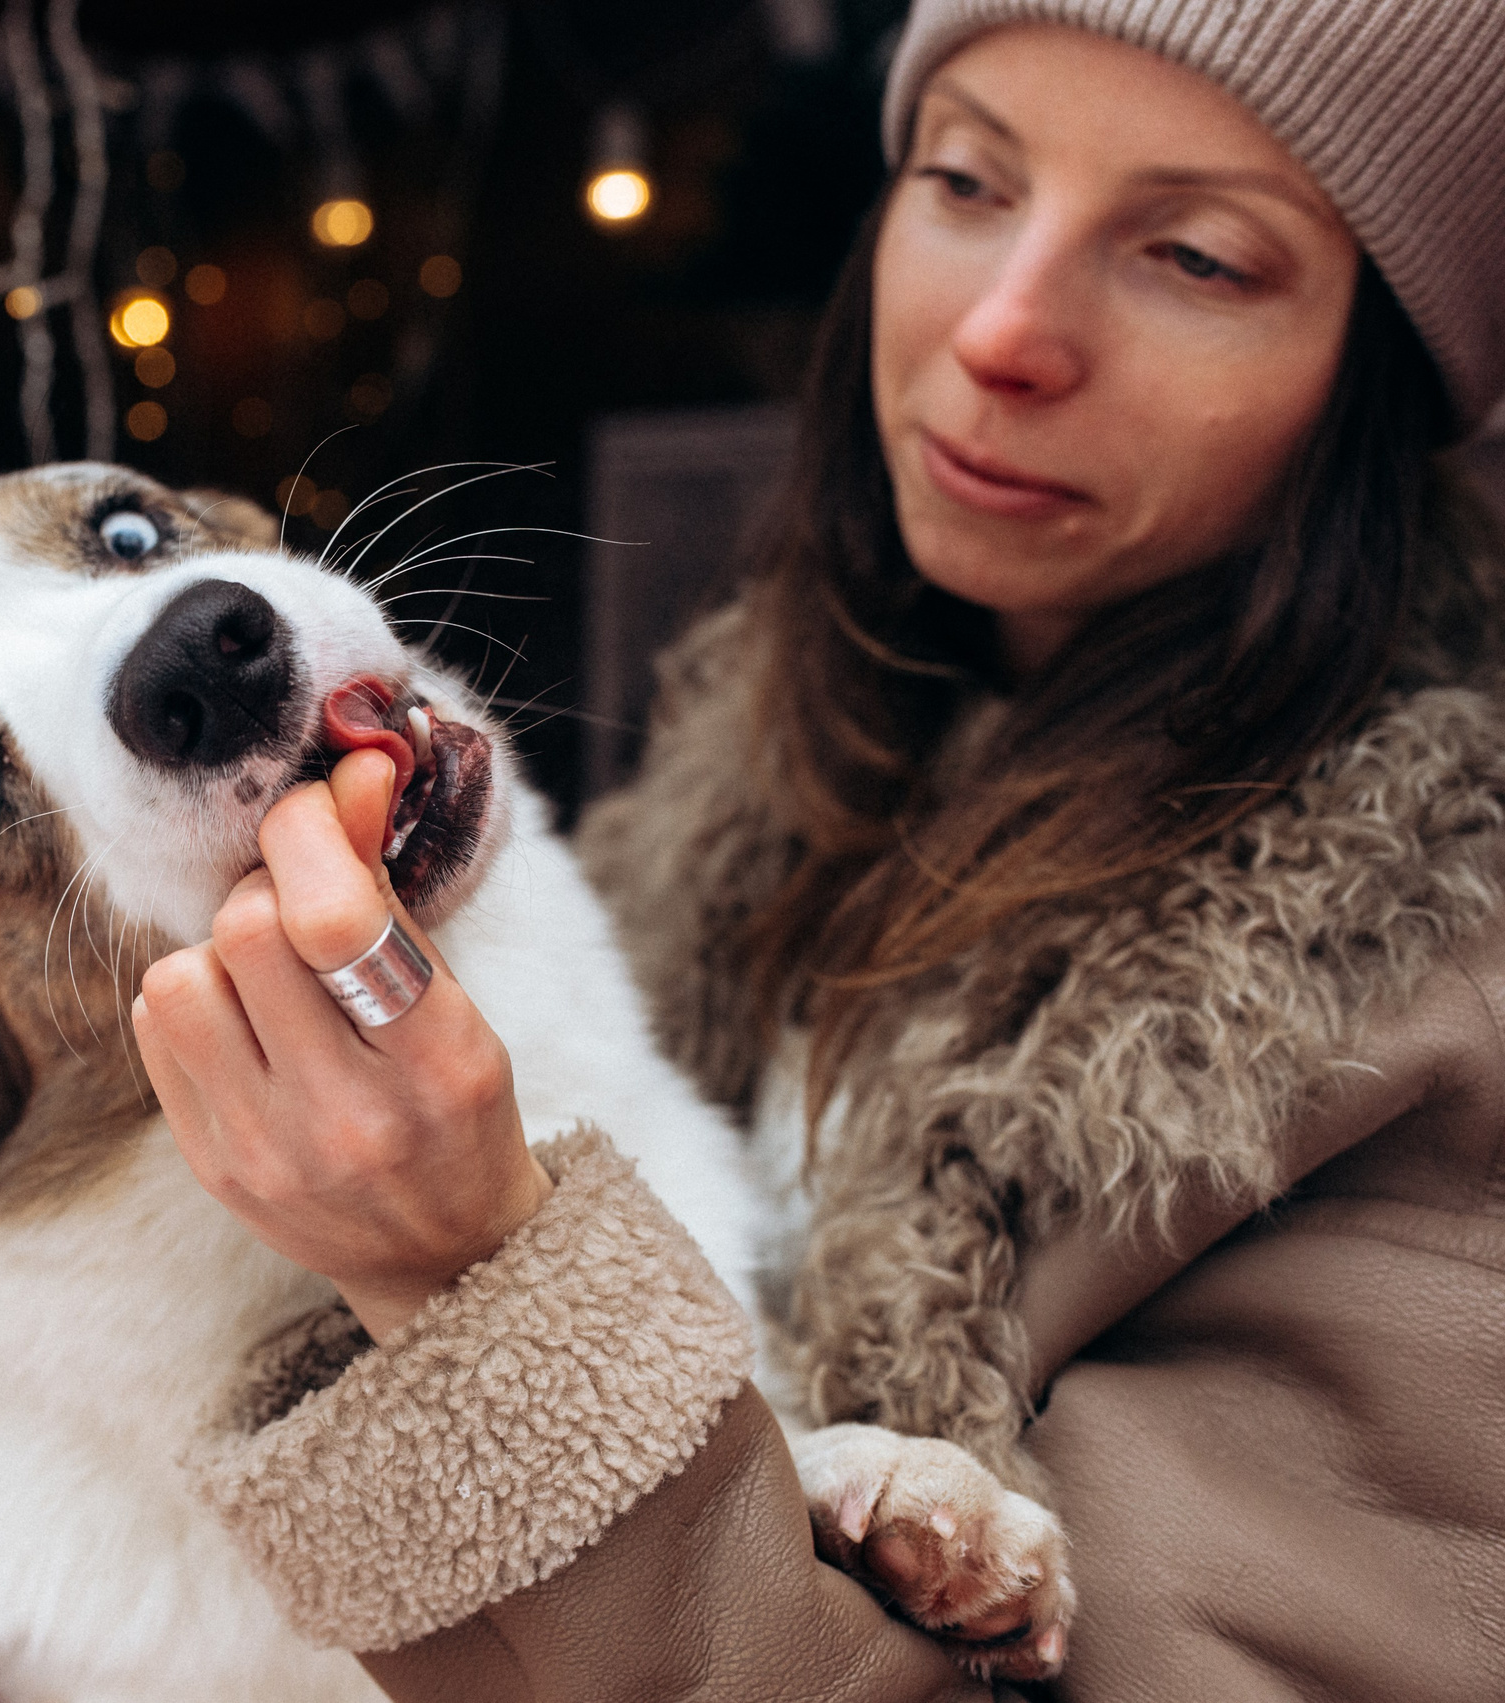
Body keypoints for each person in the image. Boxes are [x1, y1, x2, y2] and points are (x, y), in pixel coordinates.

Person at [130, 1, 1505, 1698]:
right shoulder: (757, 762)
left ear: (1379, 368)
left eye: (1201, 259)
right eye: (966, 178)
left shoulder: (1438, 996)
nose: (1002, 328)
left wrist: (469, 1270)